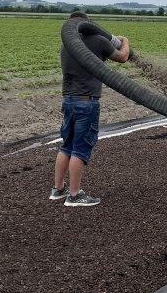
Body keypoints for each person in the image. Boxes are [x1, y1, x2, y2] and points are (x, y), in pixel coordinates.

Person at [50, 11, 130, 207]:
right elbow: (122, 57)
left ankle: (58, 189)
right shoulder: (97, 41)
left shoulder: (66, 45)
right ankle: (75, 195)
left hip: (67, 101)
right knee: (80, 148)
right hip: (86, 102)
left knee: (66, 145)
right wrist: (124, 40)